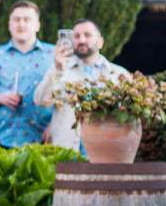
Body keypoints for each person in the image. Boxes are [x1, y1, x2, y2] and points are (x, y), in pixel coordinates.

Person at [33, 18, 128, 152]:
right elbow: (40, 101)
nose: (82, 40)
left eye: (87, 35)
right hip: (68, 151)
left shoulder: (118, 74)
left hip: (106, 150)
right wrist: (57, 68)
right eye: (77, 36)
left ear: (100, 42)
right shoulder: (60, 70)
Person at [0, 0, 53, 149]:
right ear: (9, 25)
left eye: (27, 19)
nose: (21, 24)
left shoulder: (53, 55)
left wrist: (56, 125)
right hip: (5, 142)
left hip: (45, 141)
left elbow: (68, 99)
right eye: (16, 19)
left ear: (37, 25)